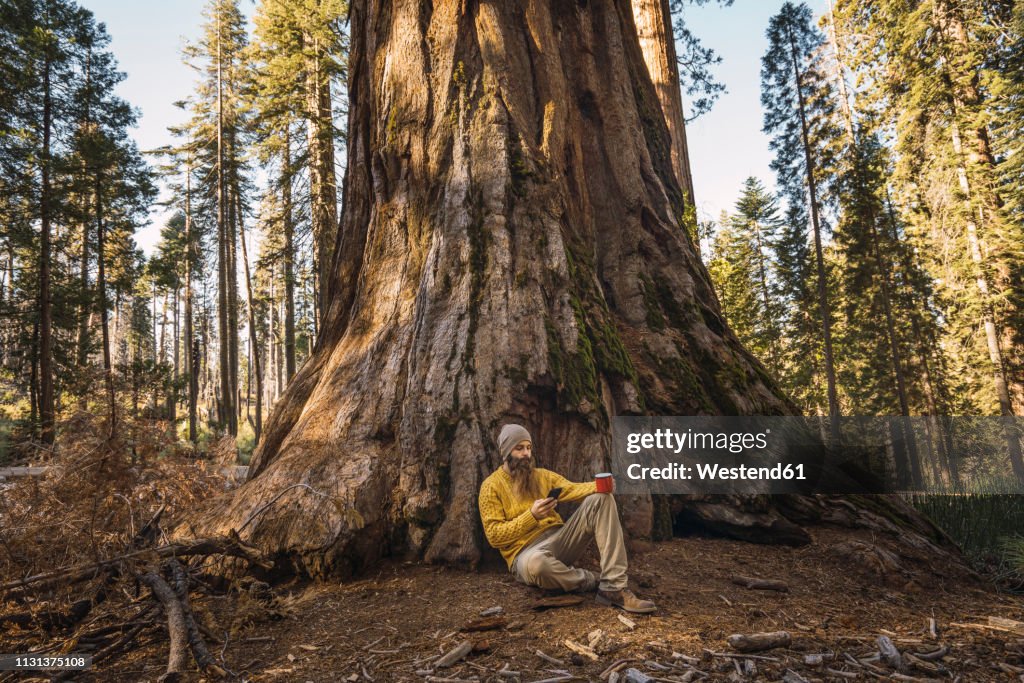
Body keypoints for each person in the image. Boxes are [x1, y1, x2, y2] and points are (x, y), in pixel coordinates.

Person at [478, 423, 656, 614]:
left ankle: (614, 586)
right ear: (506, 452)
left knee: (601, 499)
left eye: (528, 448)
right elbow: (494, 536)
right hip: (525, 554)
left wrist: (602, 485)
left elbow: (572, 489)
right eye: (519, 448)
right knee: (539, 565)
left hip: (559, 540)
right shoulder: (491, 486)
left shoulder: (542, 476)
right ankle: (593, 580)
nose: (526, 454)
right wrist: (532, 516)